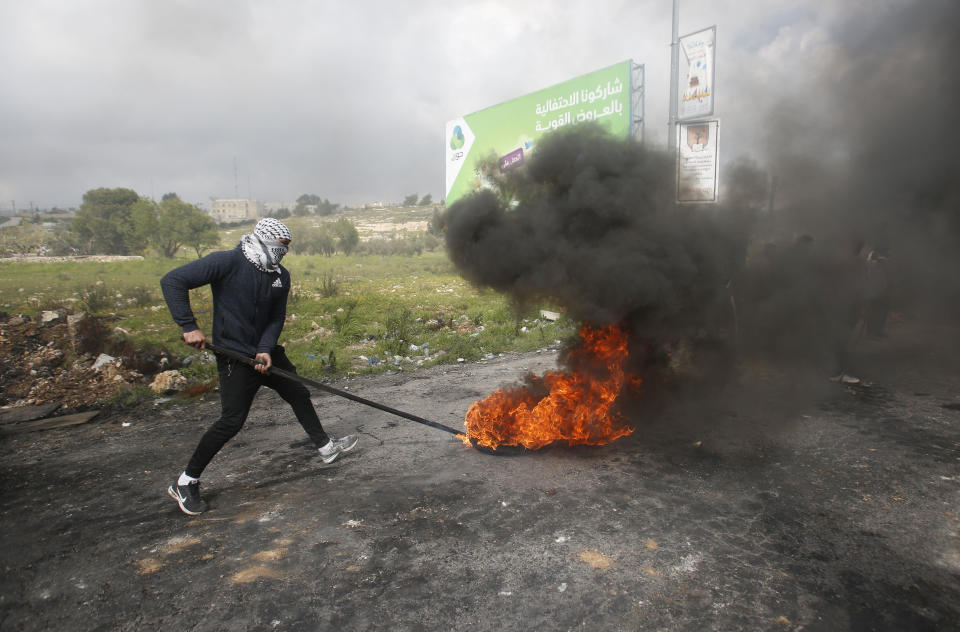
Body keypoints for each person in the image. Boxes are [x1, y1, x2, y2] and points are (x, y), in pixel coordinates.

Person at [160, 217, 358, 515]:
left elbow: (276, 317)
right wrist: (188, 325)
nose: (284, 252)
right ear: (265, 240)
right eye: (282, 246)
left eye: (288, 248)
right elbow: (173, 281)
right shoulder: (227, 262)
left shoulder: (280, 275)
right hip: (235, 356)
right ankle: (186, 482)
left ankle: (325, 447)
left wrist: (265, 350)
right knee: (231, 421)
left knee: (298, 393)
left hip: (266, 352)